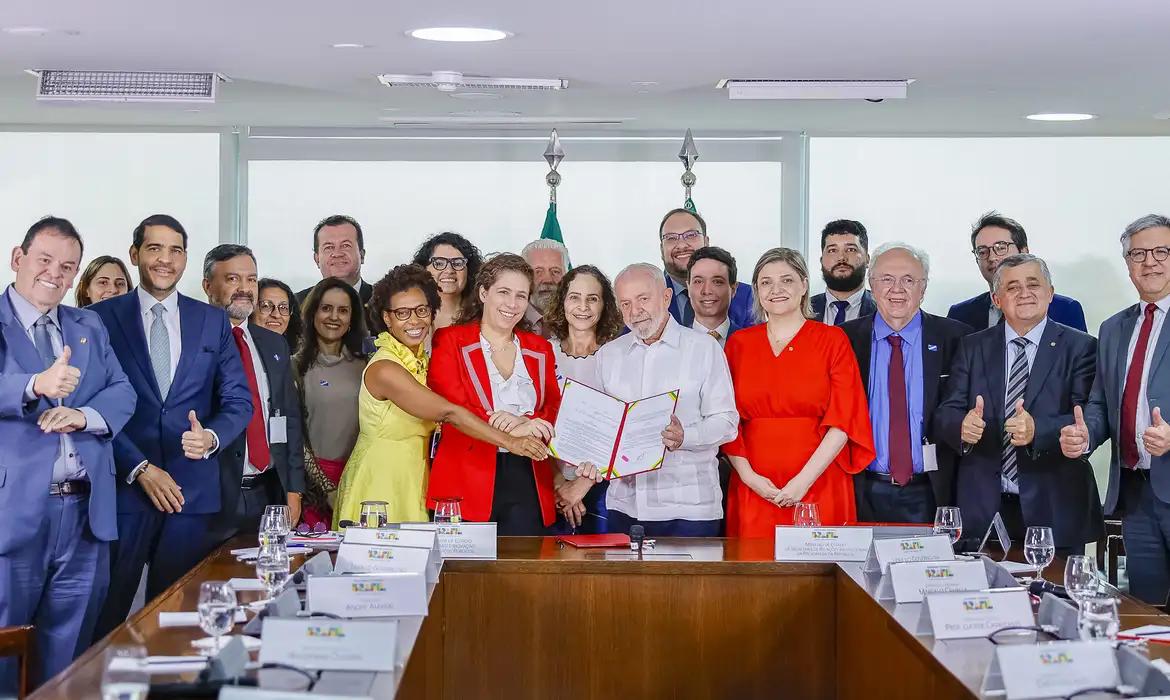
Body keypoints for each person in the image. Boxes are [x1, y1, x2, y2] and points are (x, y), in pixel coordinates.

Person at [90, 214, 252, 638]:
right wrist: (139, 467)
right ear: (135, 254)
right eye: (154, 248)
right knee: (105, 623)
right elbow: (90, 404)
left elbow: (238, 400)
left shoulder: (211, 320)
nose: (166, 259)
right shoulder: (100, 318)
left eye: (175, 250)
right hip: (125, 490)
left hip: (191, 495)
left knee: (178, 626)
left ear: (185, 258)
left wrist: (211, 437)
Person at [0, 217, 136, 691]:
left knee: (69, 655)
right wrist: (33, 385)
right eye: (44, 261)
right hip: (13, 516)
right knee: (4, 649)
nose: (55, 274)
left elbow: (122, 391)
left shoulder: (87, 323)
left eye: (68, 266)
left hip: (85, 515)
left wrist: (85, 417)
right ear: (18, 258)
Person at [335, 263, 548, 525]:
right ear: (386, 318)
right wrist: (511, 441)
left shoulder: (420, 358)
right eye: (402, 313)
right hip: (382, 479)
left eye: (421, 310)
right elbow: (449, 411)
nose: (414, 320)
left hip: (418, 475)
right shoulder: (385, 368)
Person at [937, 254, 1100, 554]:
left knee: (1055, 599)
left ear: (1050, 294)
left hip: (1055, 507)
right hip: (982, 507)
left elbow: (1088, 417)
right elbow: (946, 411)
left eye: (1033, 284)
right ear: (997, 298)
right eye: (1012, 287)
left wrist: (1040, 429)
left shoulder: (1082, 347)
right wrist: (961, 426)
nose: (1024, 293)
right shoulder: (972, 346)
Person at [723, 248, 875, 536]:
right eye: (766, 282)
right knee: (753, 574)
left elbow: (845, 418)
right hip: (755, 484)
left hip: (819, 481)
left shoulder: (833, 340)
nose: (776, 289)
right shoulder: (738, 345)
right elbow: (726, 420)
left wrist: (803, 482)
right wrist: (749, 477)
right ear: (756, 290)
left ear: (804, 285)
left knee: (820, 574)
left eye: (787, 280)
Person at [1061, 215, 1170, 603]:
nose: (1150, 262)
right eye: (1138, 253)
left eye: (1161, 251)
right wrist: (1086, 434)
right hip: (1134, 494)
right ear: (1127, 263)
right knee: (1146, 609)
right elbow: (1101, 403)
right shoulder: (1112, 329)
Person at [427, 254, 567, 534]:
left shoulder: (539, 347)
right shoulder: (449, 340)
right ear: (483, 293)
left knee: (524, 570)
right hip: (465, 475)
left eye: (521, 295)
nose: (512, 304)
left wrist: (527, 422)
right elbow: (453, 404)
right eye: (503, 292)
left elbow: (553, 404)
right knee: (464, 575)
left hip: (528, 476)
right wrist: (513, 428)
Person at [595, 263, 738, 537]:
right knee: (623, 582)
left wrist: (687, 436)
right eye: (625, 303)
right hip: (624, 505)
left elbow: (727, 422)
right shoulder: (609, 355)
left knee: (690, 582)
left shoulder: (703, 348)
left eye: (643, 299)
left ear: (666, 297)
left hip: (688, 507)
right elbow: (603, 426)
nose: (634, 312)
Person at [840, 243, 971, 524]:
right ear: (871, 285)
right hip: (860, 489)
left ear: (923, 289)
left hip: (933, 491)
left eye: (908, 280)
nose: (897, 289)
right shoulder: (843, 340)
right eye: (886, 279)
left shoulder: (957, 339)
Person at [203, 244, 305, 538]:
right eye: (233, 279)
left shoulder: (273, 344)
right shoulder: (192, 340)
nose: (245, 289)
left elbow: (289, 419)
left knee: (267, 579)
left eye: (251, 280)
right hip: (214, 497)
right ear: (208, 285)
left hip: (268, 493)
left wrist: (294, 488)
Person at [543, 265, 624, 533]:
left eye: (593, 298)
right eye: (575, 297)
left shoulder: (619, 356)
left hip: (602, 485)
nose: (583, 306)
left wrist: (581, 486)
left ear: (605, 305)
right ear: (562, 300)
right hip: (547, 479)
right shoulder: (541, 353)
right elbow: (533, 418)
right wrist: (559, 484)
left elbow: (622, 427)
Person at [295, 278, 366, 529]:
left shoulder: (370, 367)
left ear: (352, 319)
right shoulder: (293, 367)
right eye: (326, 308)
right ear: (312, 312)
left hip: (360, 479)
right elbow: (294, 436)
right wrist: (327, 488)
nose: (334, 317)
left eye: (343, 310)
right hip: (310, 487)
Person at [948, 211, 1087, 332]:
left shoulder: (1065, 309)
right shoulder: (960, 315)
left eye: (1001, 247)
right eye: (982, 251)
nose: (992, 257)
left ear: (1024, 252)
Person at [658, 208, 754, 329]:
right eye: (671, 238)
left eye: (691, 235)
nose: (681, 245)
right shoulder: (645, 299)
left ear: (706, 241)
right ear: (662, 249)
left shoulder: (746, 296)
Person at [293, 215, 373, 319]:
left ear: (362, 255)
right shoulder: (295, 305)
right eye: (329, 247)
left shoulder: (384, 302)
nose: (337, 253)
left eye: (345, 246)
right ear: (317, 259)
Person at [809, 219, 877, 325]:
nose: (841, 258)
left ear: (867, 259)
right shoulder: (800, 310)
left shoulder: (883, 309)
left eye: (851, 249)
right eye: (832, 250)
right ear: (821, 261)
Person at [411, 232, 483, 331]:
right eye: (439, 263)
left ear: (469, 270)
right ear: (423, 269)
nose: (449, 270)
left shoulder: (484, 316)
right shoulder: (408, 315)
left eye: (458, 263)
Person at [686, 246, 743, 347]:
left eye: (717, 282)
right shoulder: (671, 346)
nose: (707, 291)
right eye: (698, 281)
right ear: (688, 288)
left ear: (733, 289)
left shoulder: (750, 344)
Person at [521, 238, 569, 335]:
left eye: (555, 271)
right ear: (524, 276)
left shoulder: (581, 322)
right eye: (538, 271)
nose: (548, 280)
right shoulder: (509, 322)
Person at [253, 278, 304, 355]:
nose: (276, 315)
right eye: (266, 306)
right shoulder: (234, 350)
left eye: (283, 307)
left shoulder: (296, 356)